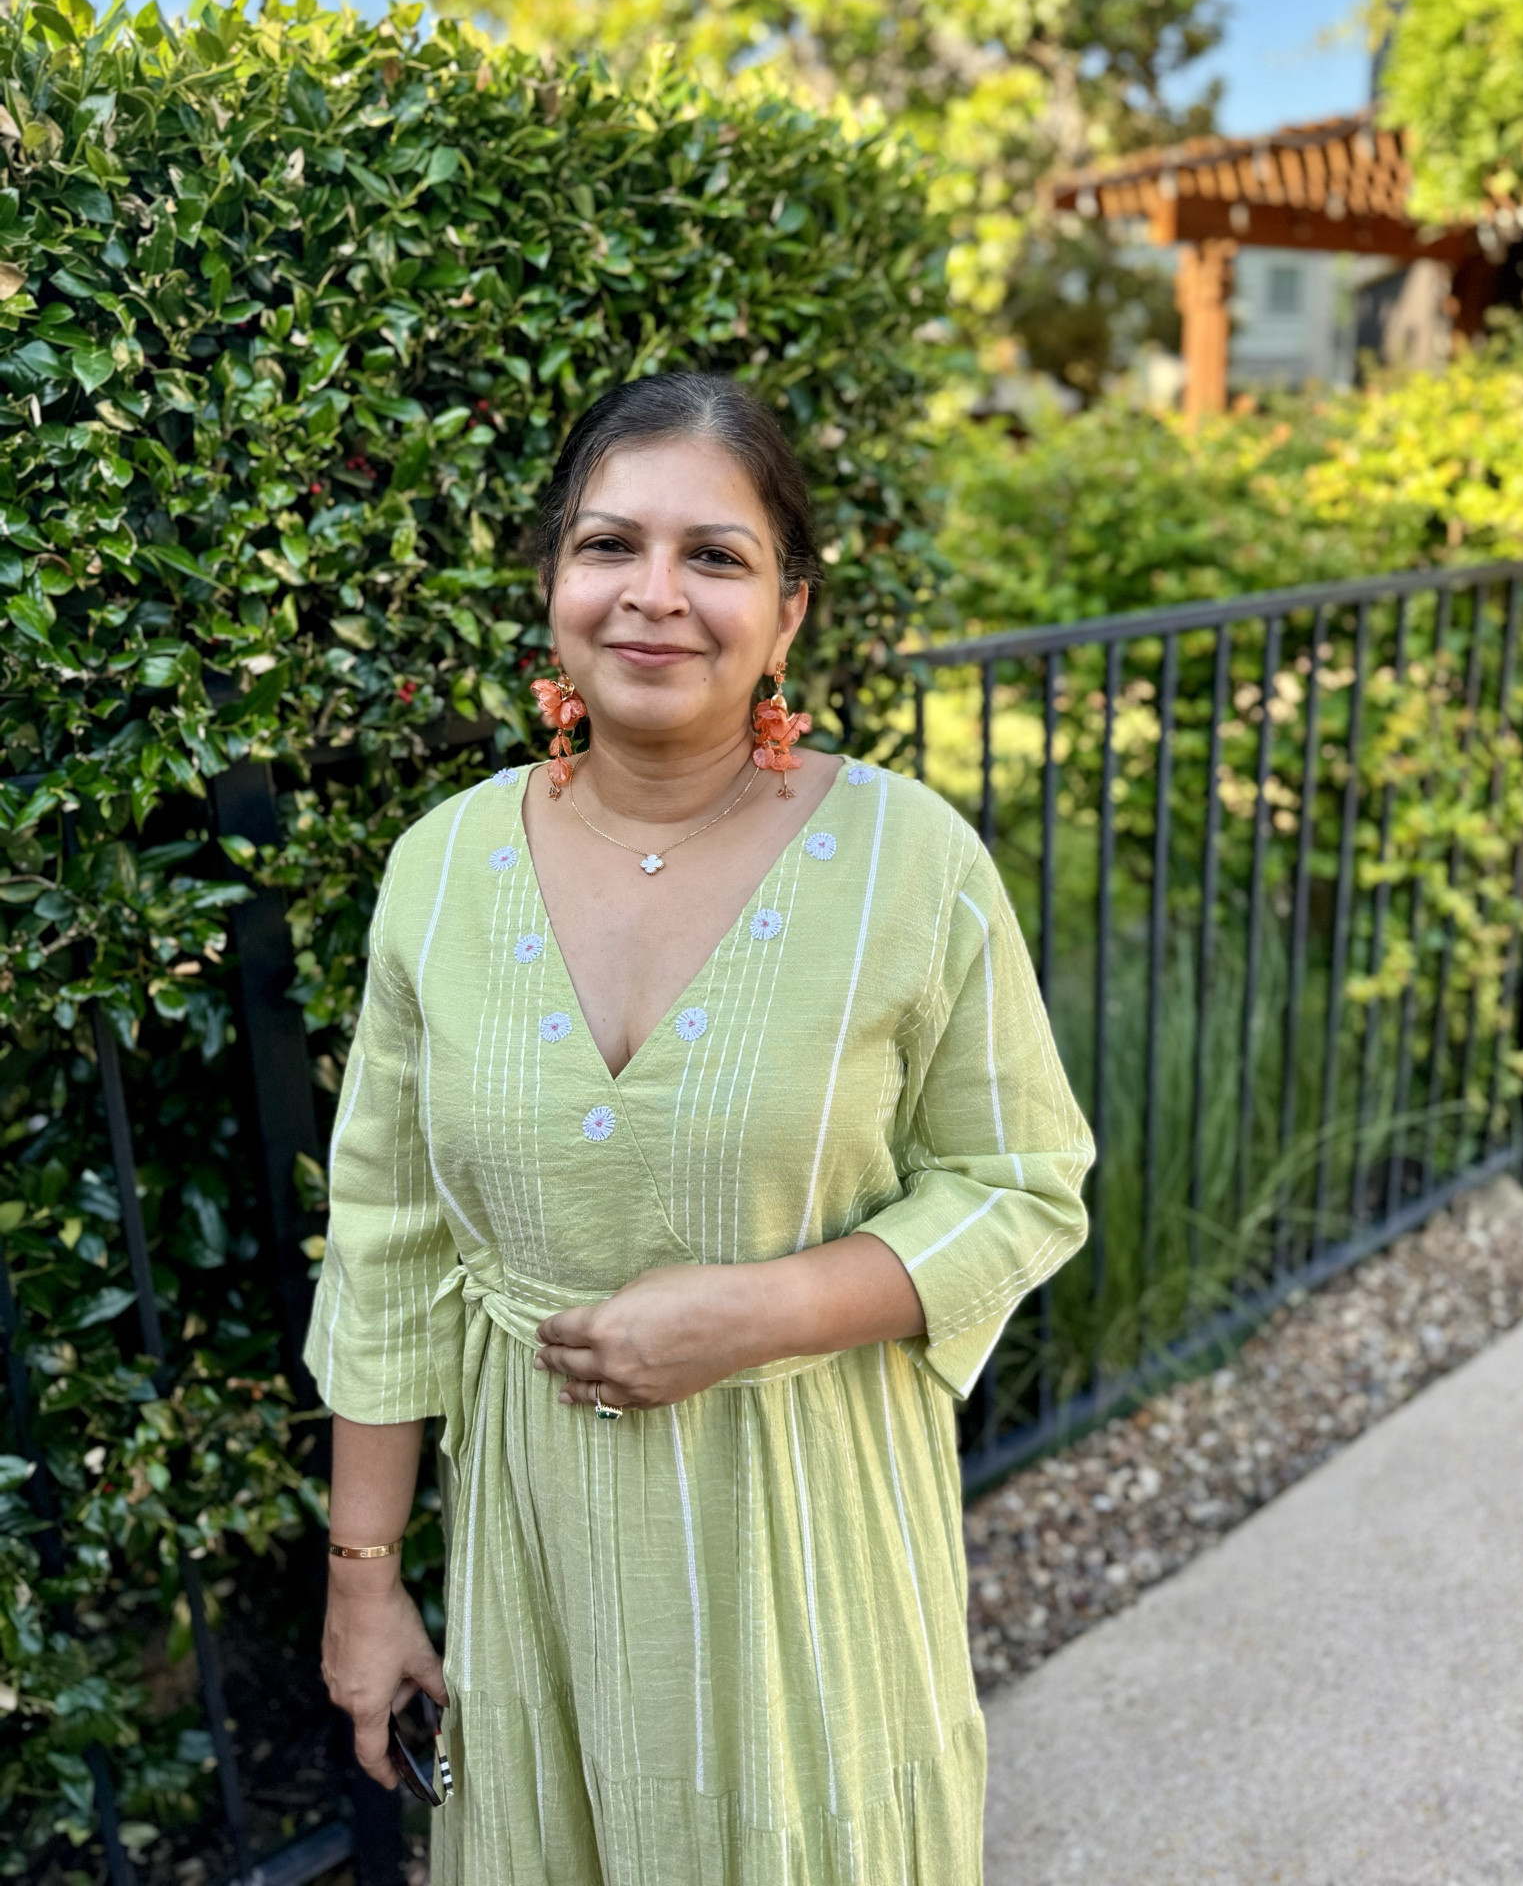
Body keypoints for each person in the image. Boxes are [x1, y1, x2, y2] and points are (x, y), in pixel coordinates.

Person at [310, 371, 1092, 1885]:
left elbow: (1021, 1181)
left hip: (810, 1546)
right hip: (539, 1563)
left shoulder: (908, 865)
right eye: (610, 547)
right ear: (553, 583)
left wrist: (766, 1309)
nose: (653, 596)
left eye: (715, 557)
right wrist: (364, 1581)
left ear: (788, 611)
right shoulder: (441, 870)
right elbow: (389, 1243)